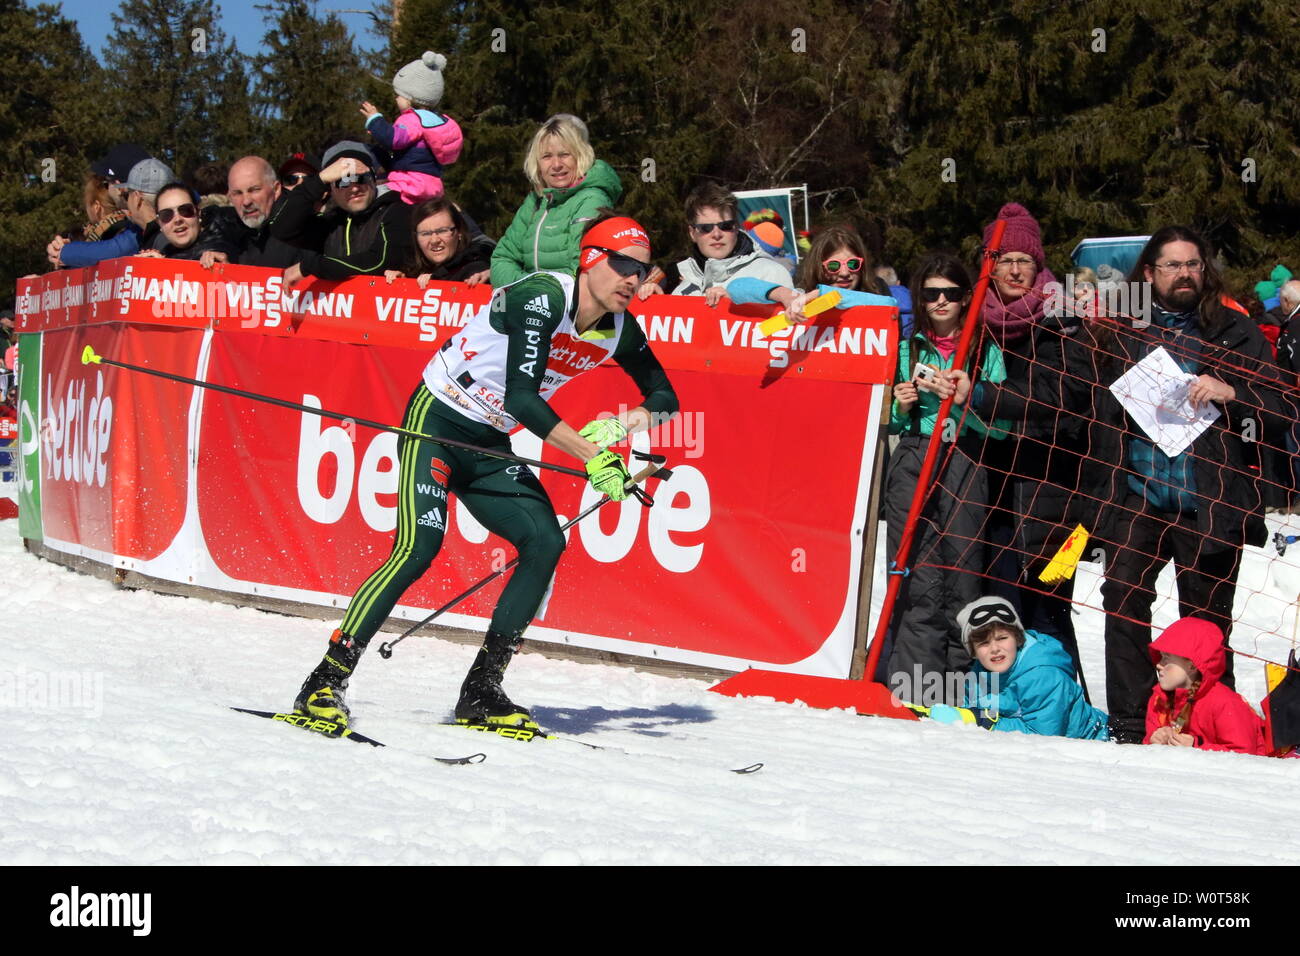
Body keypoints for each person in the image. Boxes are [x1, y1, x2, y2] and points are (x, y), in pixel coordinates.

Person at [292, 214, 678, 731]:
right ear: (590, 260)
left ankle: (482, 690)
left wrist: (621, 428)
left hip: (490, 441)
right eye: (622, 264)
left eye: (642, 268)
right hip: (440, 418)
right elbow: (522, 399)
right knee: (418, 549)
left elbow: (667, 400)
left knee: (544, 541)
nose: (633, 278)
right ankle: (326, 680)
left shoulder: (620, 331)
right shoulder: (542, 297)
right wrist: (591, 456)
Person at [884, 253, 1009, 705]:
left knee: (962, 576)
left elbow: (999, 427)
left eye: (951, 294)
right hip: (915, 458)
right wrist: (900, 407)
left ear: (965, 300)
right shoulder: (906, 349)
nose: (941, 301)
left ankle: (959, 690)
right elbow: (891, 426)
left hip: (964, 459)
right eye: (932, 293)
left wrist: (959, 402)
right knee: (915, 574)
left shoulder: (983, 350)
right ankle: (913, 688)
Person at [926, 597, 1109, 739]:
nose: (995, 649)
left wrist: (981, 722)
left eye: (1002, 638)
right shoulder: (980, 672)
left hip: (1095, 744)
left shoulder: (1043, 675)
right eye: (983, 643)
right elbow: (971, 709)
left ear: (1017, 638)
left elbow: (1043, 737)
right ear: (973, 651)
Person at [490, 114, 622, 286]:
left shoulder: (592, 200)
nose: (556, 164)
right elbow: (502, 259)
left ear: (580, 156)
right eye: (546, 156)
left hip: (570, 308)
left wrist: (537, 292)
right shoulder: (536, 202)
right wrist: (525, 290)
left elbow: (585, 268)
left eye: (564, 154)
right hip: (530, 304)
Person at [268, 141, 414, 285]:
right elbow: (282, 230)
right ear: (331, 188)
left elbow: (380, 263)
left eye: (359, 177)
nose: (354, 188)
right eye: (342, 181)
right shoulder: (331, 222)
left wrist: (311, 266)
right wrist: (318, 181)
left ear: (373, 179)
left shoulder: (397, 211)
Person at [642, 183, 793, 306]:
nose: (716, 234)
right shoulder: (680, 283)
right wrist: (655, 303)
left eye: (725, 225)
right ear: (692, 233)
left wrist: (736, 308)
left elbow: (786, 333)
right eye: (706, 228)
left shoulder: (770, 273)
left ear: (736, 227)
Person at [1144, 617, 1265, 754]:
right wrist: (1154, 739)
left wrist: (1197, 745)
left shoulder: (1224, 702)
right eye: (1160, 657)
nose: (1159, 665)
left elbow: (1245, 754)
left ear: (1191, 665)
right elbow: (1149, 749)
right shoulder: (1159, 698)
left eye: (1166, 659)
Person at [361, 51, 464, 206]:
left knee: (371, 200)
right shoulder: (436, 120)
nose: (396, 98)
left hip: (408, 183)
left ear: (411, 99)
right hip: (432, 185)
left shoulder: (412, 120)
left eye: (399, 95)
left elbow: (393, 139)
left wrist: (375, 120)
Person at [48, 158, 175, 268]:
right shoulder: (149, 230)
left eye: (126, 195)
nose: (124, 199)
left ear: (137, 199)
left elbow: (113, 251)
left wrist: (64, 252)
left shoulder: (156, 234)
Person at [383, 197, 493, 287]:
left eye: (442, 231)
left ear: (459, 232)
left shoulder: (476, 272)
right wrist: (402, 285)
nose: (434, 240)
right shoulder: (413, 270)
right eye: (425, 233)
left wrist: (438, 284)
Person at [226, 156, 303, 269]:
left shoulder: (303, 232)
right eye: (238, 193)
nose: (246, 201)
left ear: (276, 190)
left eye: (254, 190)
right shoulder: (230, 234)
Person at [136, 182, 243, 262]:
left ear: (198, 213)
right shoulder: (164, 255)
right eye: (166, 215)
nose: (177, 219)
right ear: (159, 223)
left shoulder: (229, 231)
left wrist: (229, 273)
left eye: (185, 210)